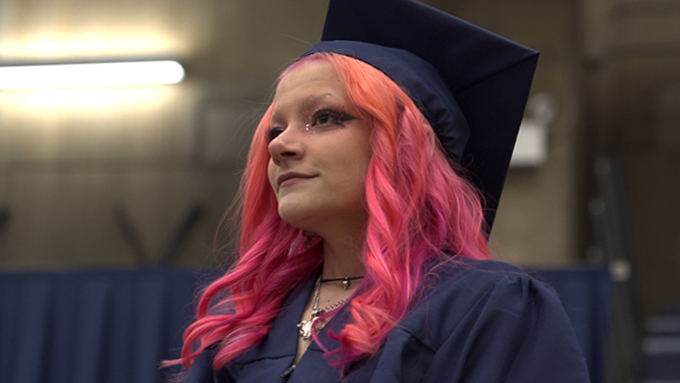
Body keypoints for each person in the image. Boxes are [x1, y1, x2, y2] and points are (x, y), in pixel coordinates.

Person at [171, 0, 592, 381]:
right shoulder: (247, 328)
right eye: (276, 129)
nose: (279, 145)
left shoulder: (489, 308)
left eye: (324, 117)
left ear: (405, 146)